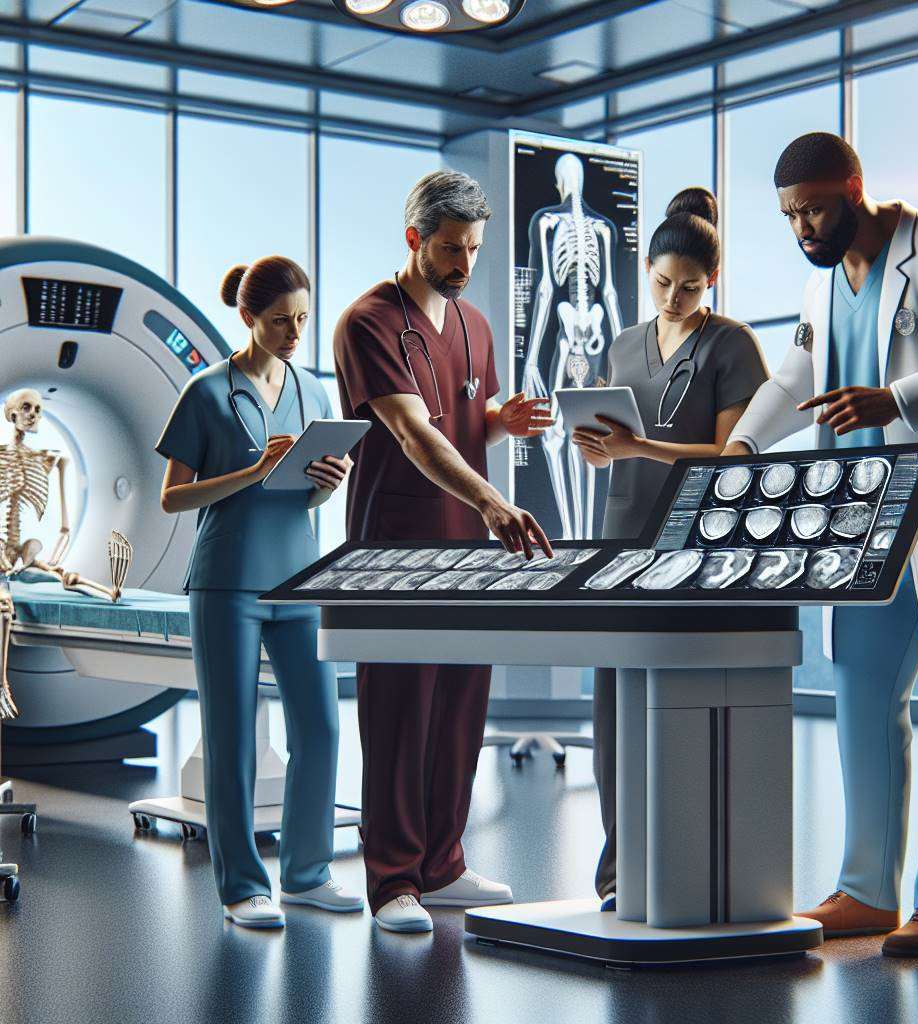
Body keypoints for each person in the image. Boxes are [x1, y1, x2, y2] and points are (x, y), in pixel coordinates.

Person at [722, 132, 918, 957]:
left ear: (854, 187)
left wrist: (897, 399)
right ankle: (866, 889)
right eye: (790, 216)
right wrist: (745, 446)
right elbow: (795, 378)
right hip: (866, 520)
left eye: (814, 208)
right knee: (860, 691)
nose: (803, 230)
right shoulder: (824, 286)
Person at [334, 170, 554, 934]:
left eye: (474, 249)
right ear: (414, 240)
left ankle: (444, 863)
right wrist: (493, 501)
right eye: (452, 248)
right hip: (398, 547)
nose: (464, 263)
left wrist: (502, 419)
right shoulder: (366, 322)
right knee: (399, 713)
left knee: (461, 705)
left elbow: (464, 417)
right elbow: (412, 432)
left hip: (471, 550)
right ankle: (393, 879)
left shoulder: (475, 325)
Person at [571, 187, 769, 909]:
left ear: (710, 281)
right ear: (646, 272)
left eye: (690, 286)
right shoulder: (623, 345)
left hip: (695, 545)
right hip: (620, 539)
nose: (675, 296)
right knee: (613, 716)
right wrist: (599, 448)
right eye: (662, 283)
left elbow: (728, 455)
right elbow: (610, 435)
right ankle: (620, 876)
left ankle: (690, 865)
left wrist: (636, 446)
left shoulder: (732, 345)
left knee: (685, 707)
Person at [157, 257, 363, 929]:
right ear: (248, 318)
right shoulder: (206, 392)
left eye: (302, 319)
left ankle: (306, 872)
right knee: (232, 738)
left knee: (323, 727)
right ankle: (242, 886)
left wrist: (327, 483)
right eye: (280, 321)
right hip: (227, 580)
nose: (294, 332)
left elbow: (312, 491)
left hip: (300, 573)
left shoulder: (312, 392)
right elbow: (172, 497)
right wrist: (252, 470)